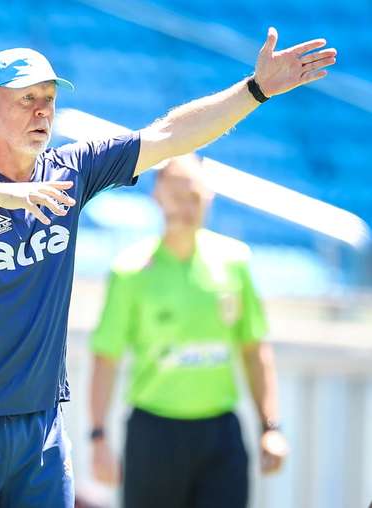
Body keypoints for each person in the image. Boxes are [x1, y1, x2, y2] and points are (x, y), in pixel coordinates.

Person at [0, 28, 334, 508]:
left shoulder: (71, 169)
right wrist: (1, 192)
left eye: (49, 99)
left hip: (39, 422)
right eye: (27, 100)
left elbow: (167, 135)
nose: (42, 111)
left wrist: (255, 89)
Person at [88, 155, 288, 508]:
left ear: (209, 198)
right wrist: (98, 437)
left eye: (194, 197)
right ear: (157, 198)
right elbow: (106, 358)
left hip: (220, 434)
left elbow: (255, 350)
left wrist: (270, 428)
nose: (186, 207)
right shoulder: (131, 271)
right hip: (154, 434)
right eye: (177, 197)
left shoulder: (234, 262)